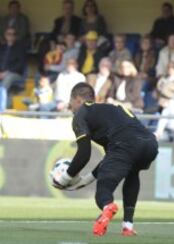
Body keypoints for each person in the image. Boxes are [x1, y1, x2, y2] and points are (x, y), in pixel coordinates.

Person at [52, 82, 158, 236]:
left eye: (71, 102)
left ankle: (107, 206)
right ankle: (127, 226)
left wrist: (64, 179)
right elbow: (111, 158)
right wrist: (84, 181)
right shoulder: (111, 110)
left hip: (125, 144)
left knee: (103, 191)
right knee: (133, 172)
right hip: (150, 143)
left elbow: (84, 154)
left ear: (78, 100)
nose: (70, 107)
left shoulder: (82, 113)